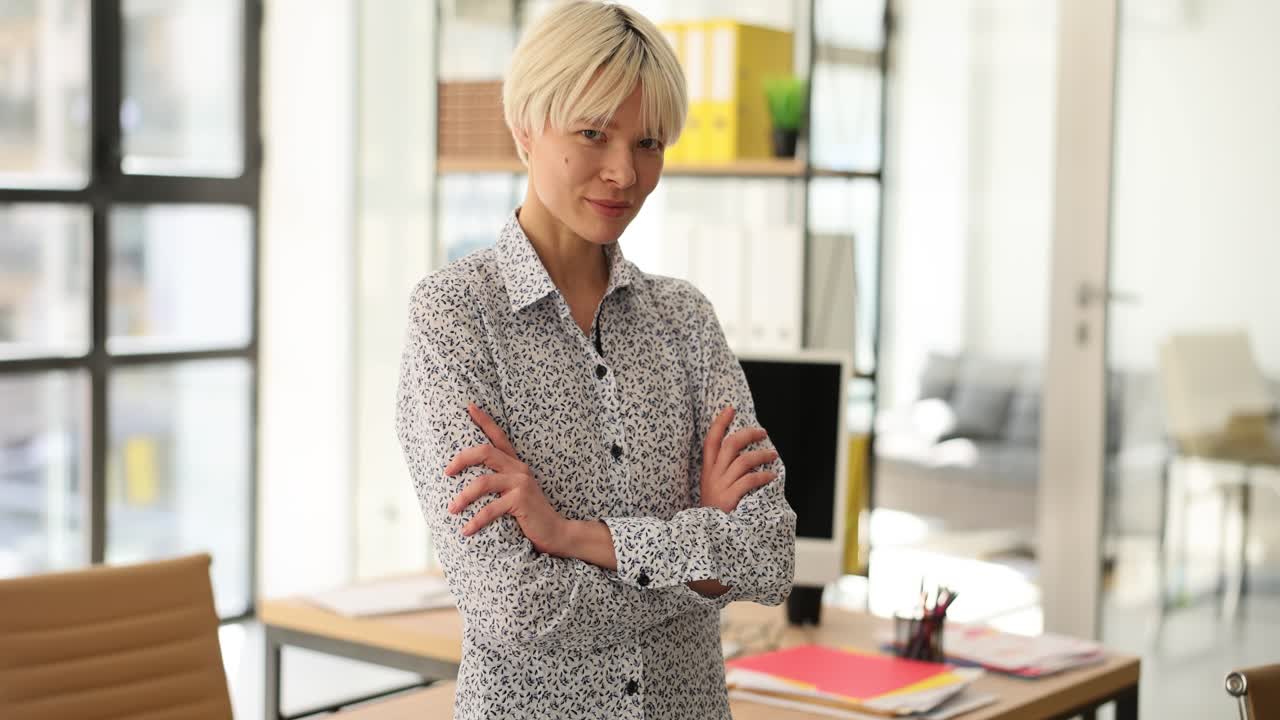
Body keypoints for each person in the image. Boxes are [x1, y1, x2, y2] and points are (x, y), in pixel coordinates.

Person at [395, 2, 796, 717]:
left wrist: (575, 537)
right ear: (525, 126)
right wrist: (701, 566)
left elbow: (767, 555)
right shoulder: (454, 318)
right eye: (592, 133)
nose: (623, 172)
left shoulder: (685, 320)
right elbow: (515, 607)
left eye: (648, 143)